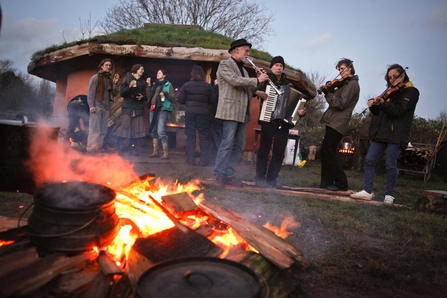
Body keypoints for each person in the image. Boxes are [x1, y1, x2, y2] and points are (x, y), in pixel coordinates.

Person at [351, 64, 419, 205]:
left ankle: (389, 195)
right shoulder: (389, 92)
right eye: (389, 77)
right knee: (369, 160)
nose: (392, 79)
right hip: (381, 133)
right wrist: (374, 105)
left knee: (390, 164)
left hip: (397, 134)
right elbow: (379, 113)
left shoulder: (411, 92)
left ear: (403, 75)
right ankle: (367, 191)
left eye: (395, 76)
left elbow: (399, 110)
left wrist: (382, 104)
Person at [213, 38, 269, 187]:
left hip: (243, 112)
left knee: (239, 146)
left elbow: (247, 88)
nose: (248, 54)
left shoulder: (244, 70)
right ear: (236, 50)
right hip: (230, 111)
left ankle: (229, 175)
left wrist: (259, 85)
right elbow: (235, 81)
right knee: (227, 143)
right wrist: (256, 80)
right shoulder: (225, 65)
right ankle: (218, 175)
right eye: (246, 50)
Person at [254, 56, 306, 188]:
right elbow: (254, 91)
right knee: (264, 150)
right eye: (276, 65)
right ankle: (259, 178)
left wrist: (300, 113)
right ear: (271, 67)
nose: (279, 67)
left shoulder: (289, 85)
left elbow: (297, 107)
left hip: (282, 124)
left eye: (281, 66)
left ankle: (272, 180)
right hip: (267, 120)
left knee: (279, 151)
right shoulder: (266, 81)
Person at [319, 58, 360, 191]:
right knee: (326, 152)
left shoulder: (352, 85)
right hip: (333, 121)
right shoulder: (344, 84)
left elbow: (340, 104)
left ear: (350, 68)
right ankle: (325, 183)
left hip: (339, 122)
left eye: (343, 69)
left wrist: (328, 93)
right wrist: (329, 90)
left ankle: (342, 183)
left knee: (329, 151)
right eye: (339, 70)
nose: (340, 72)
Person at [178, 65, 216, 166]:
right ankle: (204, 161)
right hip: (203, 114)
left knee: (190, 136)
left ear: (192, 74)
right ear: (203, 74)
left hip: (190, 113)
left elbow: (180, 100)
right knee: (204, 137)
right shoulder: (207, 86)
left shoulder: (186, 85)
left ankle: (190, 160)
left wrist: (188, 102)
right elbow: (213, 100)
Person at [86, 58, 119, 153]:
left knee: (103, 130)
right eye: (106, 65)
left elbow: (115, 93)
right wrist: (91, 105)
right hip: (97, 106)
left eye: (110, 65)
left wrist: (115, 82)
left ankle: (98, 148)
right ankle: (91, 150)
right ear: (101, 66)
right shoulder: (95, 78)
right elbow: (91, 93)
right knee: (95, 129)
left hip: (106, 108)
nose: (108, 67)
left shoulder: (109, 80)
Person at [115, 64, 147, 156]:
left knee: (137, 130)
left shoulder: (142, 82)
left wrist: (143, 96)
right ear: (136, 70)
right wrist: (129, 86)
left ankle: (135, 150)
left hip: (138, 107)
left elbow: (145, 95)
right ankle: (121, 149)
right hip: (128, 107)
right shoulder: (127, 79)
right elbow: (122, 93)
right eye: (141, 69)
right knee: (125, 128)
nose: (143, 71)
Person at [147, 68, 175, 159]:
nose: (157, 74)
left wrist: (165, 94)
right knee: (154, 131)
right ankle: (155, 151)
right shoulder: (155, 84)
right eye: (157, 72)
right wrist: (148, 86)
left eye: (159, 73)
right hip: (153, 109)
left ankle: (165, 153)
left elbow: (172, 98)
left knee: (161, 131)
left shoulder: (168, 85)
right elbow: (149, 96)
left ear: (164, 75)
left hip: (162, 109)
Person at [210, 78, 223, 161]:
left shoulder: (218, 89)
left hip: (217, 117)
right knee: (218, 138)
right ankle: (215, 158)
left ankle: (217, 159)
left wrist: (215, 86)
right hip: (222, 117)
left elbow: (214, 100)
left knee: (218, 139)